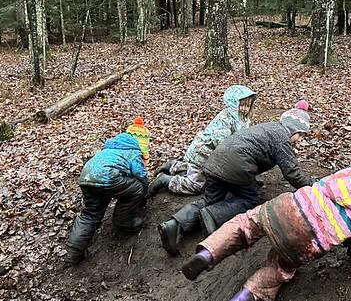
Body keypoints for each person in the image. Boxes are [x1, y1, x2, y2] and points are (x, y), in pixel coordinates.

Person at [180, 150, 351, 301]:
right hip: (308, 238)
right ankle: (243, 298)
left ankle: (208, 253)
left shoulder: (347, 175)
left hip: (285, 207)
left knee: (246, 223)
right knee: (281, 266)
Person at [158, 107, 312, 256]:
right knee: (250, 199)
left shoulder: (269, 128)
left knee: (211, 199)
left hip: (215, 161)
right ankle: (212, 215)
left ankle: (174, 224)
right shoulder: (282, 139)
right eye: (300, 135)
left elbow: (250, 150)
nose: (299, 140)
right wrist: (312, 184)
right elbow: (292, 173)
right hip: (236, 167)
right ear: (293, 129)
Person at [64, 118, 150, 265]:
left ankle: (73, 253)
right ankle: (124, 222)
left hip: (87, 176)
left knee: (90, 214)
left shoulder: (110, 148)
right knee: (137, 188)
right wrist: (144, 196)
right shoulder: (134, 151)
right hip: (108, 177)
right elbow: (140, 176)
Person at [148, 85, 257, 197]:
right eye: (242, 105)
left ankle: (173, 165)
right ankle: (165, 180)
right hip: (203, 153)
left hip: (210, 154)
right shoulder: (225, 118)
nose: (244, 109)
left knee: (193, 170)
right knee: (197, 184)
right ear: (233, 103)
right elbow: (222, 141)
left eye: (248, 106)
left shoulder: (243, 119)